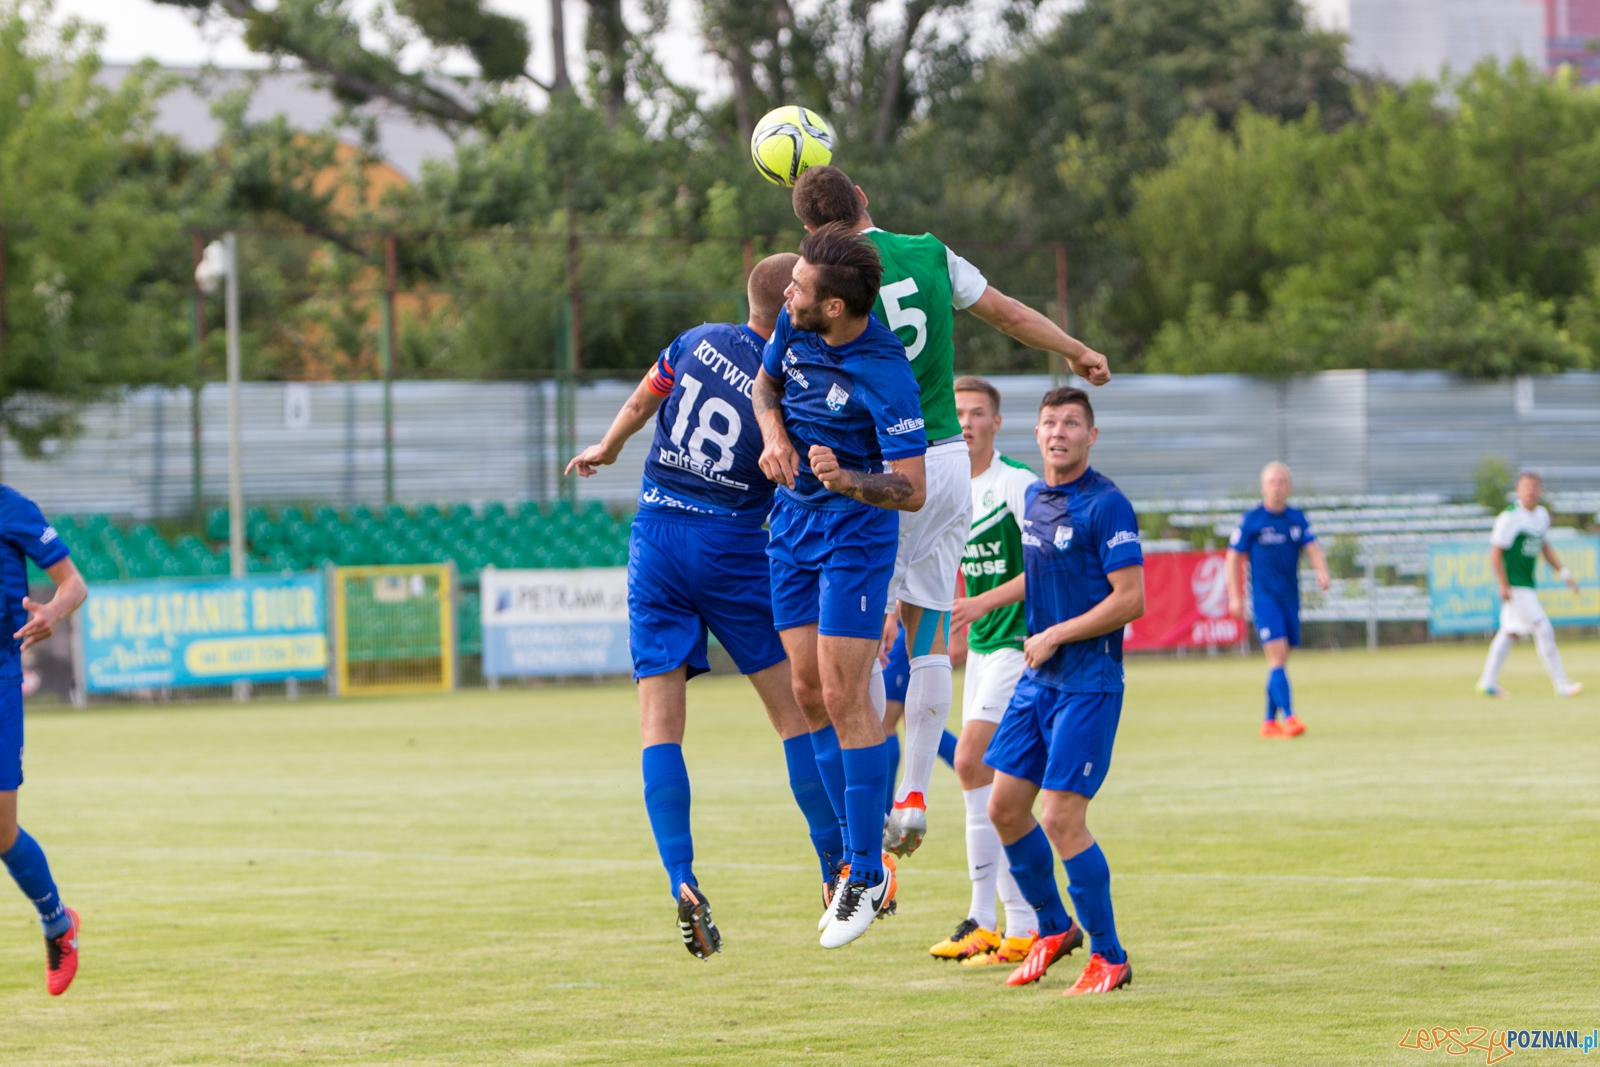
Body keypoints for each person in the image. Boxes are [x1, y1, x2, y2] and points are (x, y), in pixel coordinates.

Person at [790, 164, 1112, 858]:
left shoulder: (835, 284)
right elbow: (1008, 313)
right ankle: (912, 790)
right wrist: (1076, 350)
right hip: (948, 462)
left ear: (813, 234)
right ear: (866, 201)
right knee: (928, 622)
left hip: (883, 472)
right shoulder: (932, 253)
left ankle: (871, 823)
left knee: (863, 634)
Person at [565, 252, 843, 960]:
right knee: (795, 710)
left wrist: (607, 445)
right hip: (731, 547)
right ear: (790, 303)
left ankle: (682, 877)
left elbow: (642, 400)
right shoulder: (785, 383)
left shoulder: (694, 342)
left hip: (654, 534)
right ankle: (834, 867)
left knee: (660, 725)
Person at [752, 223, 928, 949]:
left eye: (797, 286)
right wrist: (775, 436)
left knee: (845, 694)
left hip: (854, 534)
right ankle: (848, 857)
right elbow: (765, 387)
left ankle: (864, 871)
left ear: (833, 308)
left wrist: (848, 477)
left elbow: (911, 489)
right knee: (806, 692)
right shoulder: (790, 331)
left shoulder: (884, 369)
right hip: (789, 528)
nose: (781, 292)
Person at [961, 386, 1145, 996]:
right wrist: (983, 603)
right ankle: (1053, 928)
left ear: (1092, 436)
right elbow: (1035, 575)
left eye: (1071, 422)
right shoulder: (1038, 498)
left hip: (1087, 682)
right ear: (1036, 435)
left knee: (1061, 818)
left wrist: (1055, 635)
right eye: (1049, 423)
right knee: (1003, 807)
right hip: (1038, 680)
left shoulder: (1108, 504)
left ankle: (1111, 955)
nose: (1058, 431)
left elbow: (1130, 600)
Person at [931, 376, 1041, 966]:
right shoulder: (948, 486)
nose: (966, 422)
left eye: (977, 413)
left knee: (973, 762)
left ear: (996, 423)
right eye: (959, 414)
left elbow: (1048, 569)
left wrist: (982, 604)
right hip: (979, 649)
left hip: (1016, 645)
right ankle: (1008, 923)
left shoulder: (1017, 485)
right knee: (987, 782)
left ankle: (990, 918)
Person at [0, 489, 88, 994]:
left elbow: (74, 585)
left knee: (1, 830)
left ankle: (59, 925)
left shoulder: (13, 509)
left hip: (0, 681)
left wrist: (53, 611)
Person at [1225, 463, 1330, 738]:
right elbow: (1232, 556)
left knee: (1280, 660)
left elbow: (1312, 547)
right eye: (1272, 481)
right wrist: (1235, 596)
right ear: (1263, 487)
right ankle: (1290, 717)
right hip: (1264, 599)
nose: (1277, 486)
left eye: (1282, 481)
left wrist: (1322, 572)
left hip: (1290, 599)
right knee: (1277, 658)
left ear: (1289, 487)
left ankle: (1269, 722)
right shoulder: (1252, 519)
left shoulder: (1296, 518)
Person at [1476, 471, 1584, 698]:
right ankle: (1561, 684)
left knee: (1508, 633)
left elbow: (1544, 546)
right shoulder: (1510, 517)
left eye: (1534, 486)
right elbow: (1495, 553)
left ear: (1540, 490)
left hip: (1527, 584)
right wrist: (1503, 585)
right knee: (1543, 628)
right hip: (1515, 587)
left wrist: (1564, 573)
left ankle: (1487, 683)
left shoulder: (1541, 516)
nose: (1530, 490)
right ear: (1518, 490)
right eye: (1526, 486)